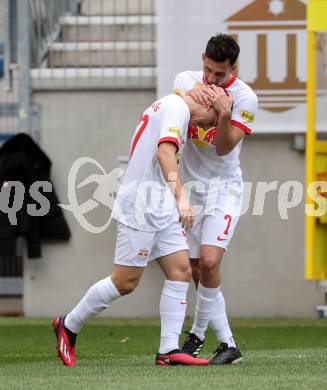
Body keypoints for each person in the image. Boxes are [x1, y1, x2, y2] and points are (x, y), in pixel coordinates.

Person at [52, 91, 219, 367]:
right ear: (207, 104)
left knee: (181, 270)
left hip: (159, 203)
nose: (208, 128)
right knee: (125, 281)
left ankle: (168, 350)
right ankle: (68, 325)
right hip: (142, 204)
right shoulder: (178, 108)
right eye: (212, 119)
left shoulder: (171, 105)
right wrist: (181, 197)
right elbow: (164, 152)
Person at [173, 33, 258, 364]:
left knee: (209, 261)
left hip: (224, 189)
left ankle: (195, 334)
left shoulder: (246, 98)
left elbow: (223, 146)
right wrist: (199, 102)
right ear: (203, 59)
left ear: (232, 68)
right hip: (191, 189)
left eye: (218, 74)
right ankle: (228, 344)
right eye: (207, 70)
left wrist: (223, 115)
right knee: (195, 268)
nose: (209, 78)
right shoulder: (185, 79)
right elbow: (180, 119)